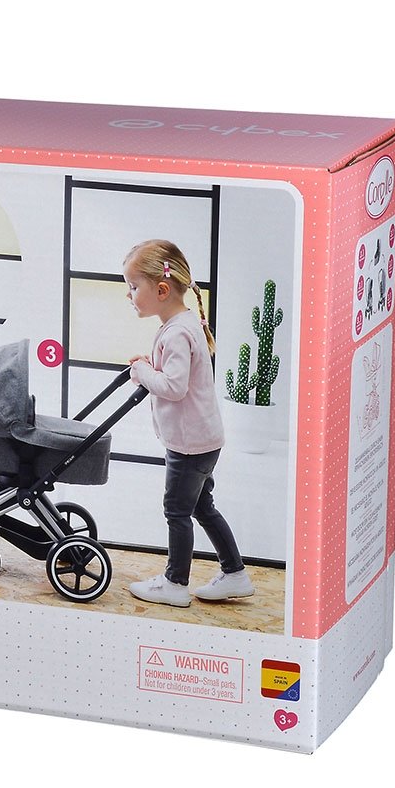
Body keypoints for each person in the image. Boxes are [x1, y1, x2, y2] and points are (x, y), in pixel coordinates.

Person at [122, 239, 254, 607]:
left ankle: (175, 583)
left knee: (177, 511)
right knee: (201, 507)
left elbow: (174, 387)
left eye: (133, 286)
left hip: (189, 446)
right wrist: (150, 366)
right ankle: (235, 573)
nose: (129, 295)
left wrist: (142, 372)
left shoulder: (178, 331)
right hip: (203, 440)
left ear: (162, 290)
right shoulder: (183, 324)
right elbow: (178, 376)